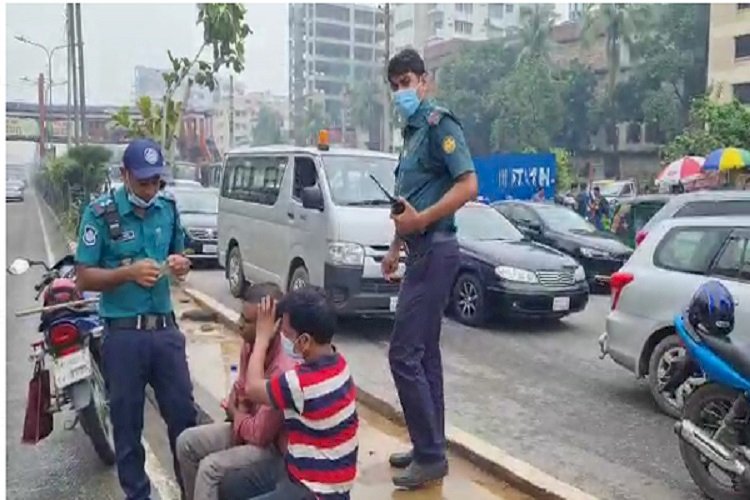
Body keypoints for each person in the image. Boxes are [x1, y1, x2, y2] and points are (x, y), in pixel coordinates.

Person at [75, 138, 196, 500]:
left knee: (184, 422)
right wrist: (126, 275)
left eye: (156, 181)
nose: (150, 189)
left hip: (165, 333)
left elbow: (182, 253)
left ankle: (190, 492)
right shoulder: (100, 213)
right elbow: (84, 277)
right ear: (125, 175)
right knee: (127, 429)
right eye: (143, 182)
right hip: (123, 337)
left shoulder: (168, 208)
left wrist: (180, 263)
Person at [381, 48, 478, 489]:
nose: (403, 91)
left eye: (408, 82)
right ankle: (429, 447)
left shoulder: (440, 125)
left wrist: (421, 221)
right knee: (425, 355)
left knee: (402, 354)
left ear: (425, 81)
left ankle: (431, 454)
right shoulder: (411, 134)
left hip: (438, 248)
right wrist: (396, 247)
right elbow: (408, 199)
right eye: (396, 85)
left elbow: (469, 184)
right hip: (419, 250)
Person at [176, 283, 295, 500]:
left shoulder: (282, 369)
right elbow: (239, 392)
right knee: (186, 443)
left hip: (271, 449)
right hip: (247, 427)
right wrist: (239, 410)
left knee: (209, 469)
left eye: (248, 322)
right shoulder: (249, 347)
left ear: (272, 326)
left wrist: (237, 411)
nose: (240, 325)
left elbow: (260, 435)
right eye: (241, 317)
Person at [241, 286, 358, 499]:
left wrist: (262, 337)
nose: (283, 338)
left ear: (304, 341)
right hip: (334, 484)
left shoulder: (300, 383)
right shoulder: (339, 364)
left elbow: (252, 388)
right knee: (232, 485)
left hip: (313, 490)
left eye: (286, 333)